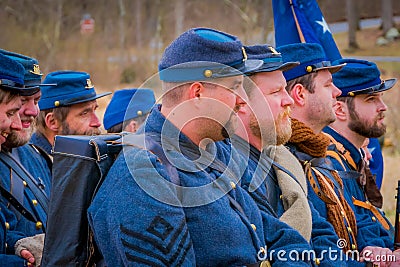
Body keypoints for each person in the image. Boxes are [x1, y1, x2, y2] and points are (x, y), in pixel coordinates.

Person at [88, 28, 312, 266]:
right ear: (198, 94)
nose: (242, 99)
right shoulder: (144, 176)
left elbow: (279, 236)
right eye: (235, 87)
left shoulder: (217, 151)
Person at [220, 43, 350, 266]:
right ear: (241, 102)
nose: (288, 99)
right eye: (275, 92)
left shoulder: (283, 160)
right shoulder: (226, 166)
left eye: (284, 89)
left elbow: (321, 233)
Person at [278, 43, 395, 266]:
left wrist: (380, 252)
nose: (337, 92)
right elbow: (313, 249)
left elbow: (356, 219)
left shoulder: (316, 153)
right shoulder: (289, 159)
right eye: (328, 85)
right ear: (300, 94)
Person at [323, 58, 396, 238]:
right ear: (339, 110)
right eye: (371, 99)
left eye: (381, 98)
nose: (383, 107)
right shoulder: (329, 164)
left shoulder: (349, 157)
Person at [0, 50, 54, 267]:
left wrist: (19, 245)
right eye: (22, 101)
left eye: (37, 100)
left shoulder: (36, 156)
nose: (33, 111)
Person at [31, 70, 111, 154]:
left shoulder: (80, 154)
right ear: (53, 122)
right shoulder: (28, 163)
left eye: (94, 110)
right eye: (84, 113)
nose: (97, 123)